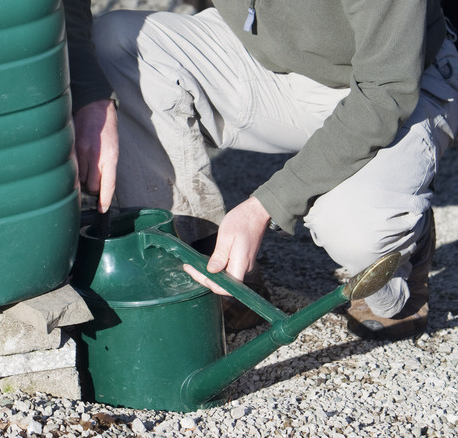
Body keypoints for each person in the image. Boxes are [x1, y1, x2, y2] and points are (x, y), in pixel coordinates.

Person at [64, 0, 458, 339]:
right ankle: (209, 269)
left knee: (357, 232)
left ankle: (406, 253)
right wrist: (90, 98)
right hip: (273, 63)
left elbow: (385, 92)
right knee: (116, 41)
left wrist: (264, 205)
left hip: (393, 87)